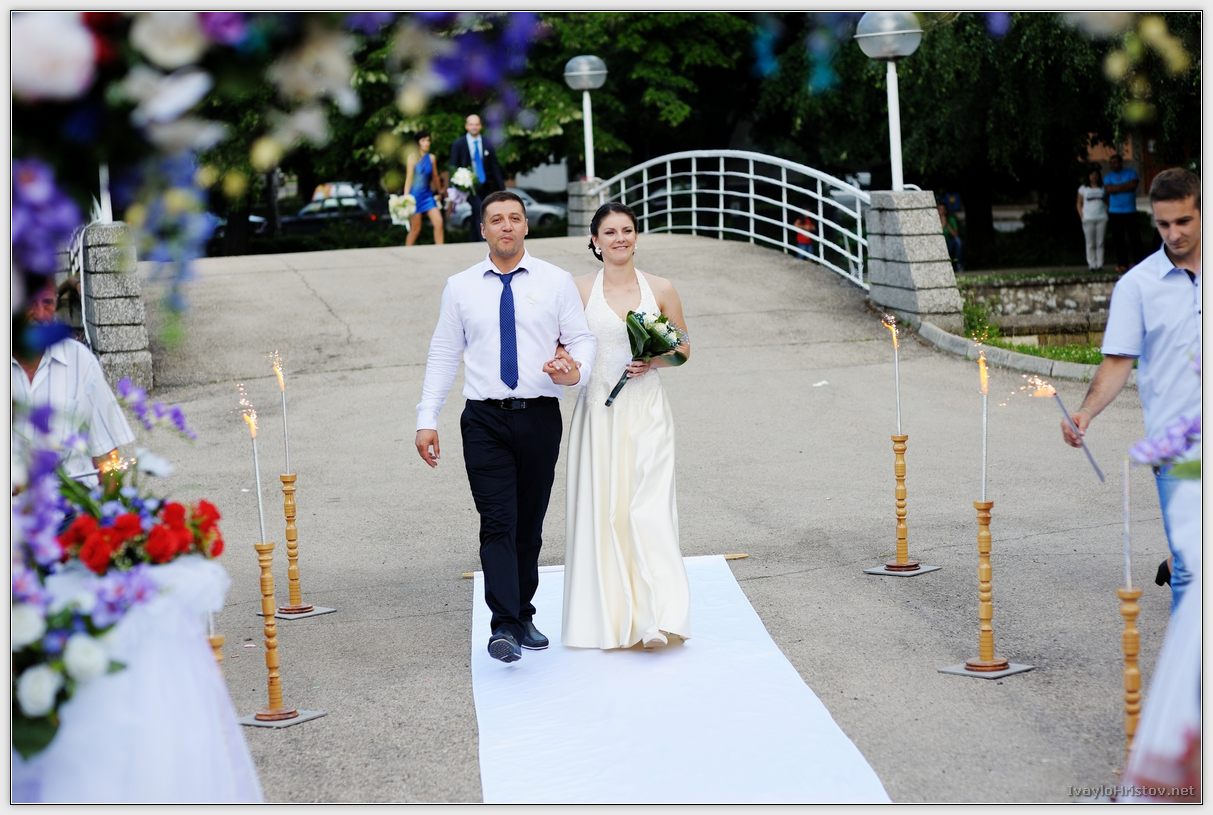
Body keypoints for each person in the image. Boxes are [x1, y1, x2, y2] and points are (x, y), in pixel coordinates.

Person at [415, 190, 596, 664]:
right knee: (498, 520)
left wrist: (575, 372)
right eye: (497, 219)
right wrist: (426, 418)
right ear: (483, 230)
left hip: (539, 416)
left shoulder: (556, 282)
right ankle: (504, 626)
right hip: (484, 420)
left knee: (529, 524)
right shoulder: (460, 287)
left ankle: (523, 613)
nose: (507, 226)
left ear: (526, 226)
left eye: (515, 218)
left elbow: (581, 338)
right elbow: (443, 353)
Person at [1060, 167, 1201, 613]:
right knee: (1193, 567)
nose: (1173, 234)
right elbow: (1118, 362)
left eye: (1184, 221)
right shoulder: (1137, 287)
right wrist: (1085, 412)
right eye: (1163, 224)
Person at [561, 202, 692, 650]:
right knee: (608, 511)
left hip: (648, 409)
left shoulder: (661, 288)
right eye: (610, 232)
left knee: (648, 508)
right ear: (595, 241)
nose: (620, 238)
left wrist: (654, 359)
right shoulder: (579, 290)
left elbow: (683, 348)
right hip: (600, 411)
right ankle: (617, 617)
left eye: (627, 230)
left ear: (636, 237)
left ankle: (658, 617)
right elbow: (564, 348)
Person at [10, 279, 135, 488]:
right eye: (29, 303)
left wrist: (112, 504)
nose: (39, 315)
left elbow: (106, 454)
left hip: (72, 501)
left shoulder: (79, 359)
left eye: (47, 303)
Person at [448, 114, 505, 241]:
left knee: (479, 211)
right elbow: (453, 166)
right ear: (466, 126)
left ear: (480, 126)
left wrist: (501, 188)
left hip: (487, 185)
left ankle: (473, 238)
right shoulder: (459, 144)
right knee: (480, 208)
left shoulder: (487, 143)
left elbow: (494, 165)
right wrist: (452, 188)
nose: (474, 127)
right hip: (468, 186)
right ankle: (482, 239)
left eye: (476, 124)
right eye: (471, 124)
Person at [403, 130, 444, 247]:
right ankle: (406, 251)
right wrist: (406, 197)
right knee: (416, 228)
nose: (427, 143)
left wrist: (440, 191)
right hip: (414, 197)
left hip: (427, 195)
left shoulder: (431, 158)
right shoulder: (412, 157)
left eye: (428, 140)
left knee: (439, 222)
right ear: (418, 143)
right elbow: (409, 178)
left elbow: (435, 177)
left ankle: (442, 251)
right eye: (423, 140)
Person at [1104, 152, 1142, 273]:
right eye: (1111, 163)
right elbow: (1108, 189)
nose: (1113, 165)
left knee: (1134, 239)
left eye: (1115, 162)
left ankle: (1139, 263)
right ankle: (1122, 264)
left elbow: (1133, 186)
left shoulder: (1131, 173)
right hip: (1114, 212)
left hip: (1130, 211)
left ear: (1121, 163)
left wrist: (1116, 188)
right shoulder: (1108, 176)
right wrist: (1124, 187)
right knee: (1118, 240)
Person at [1075, 166, 1108, 271]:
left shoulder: (1103, 188)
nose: (1094, 177)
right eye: (1092, 175)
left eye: (1095, 175)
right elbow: (1079, 203)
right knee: (1090, 243)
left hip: (1101, 218)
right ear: (1088, 176)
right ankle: (1092, 265)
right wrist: (1082, 215)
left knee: (1100, 242)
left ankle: (1100, 264)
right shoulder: (1083, 189)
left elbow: (1107, 201)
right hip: (1088, 218)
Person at [938, 203, 963, 272]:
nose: (941, 212)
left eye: (942, 210)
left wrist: (947, 225)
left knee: (958, 241)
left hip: (949, 242)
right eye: (939, 209)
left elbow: (955, 235)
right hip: (939, 243)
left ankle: (958, 264)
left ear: (945, 211)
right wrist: (942, 225)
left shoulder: (951, 219)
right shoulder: (935, 220)